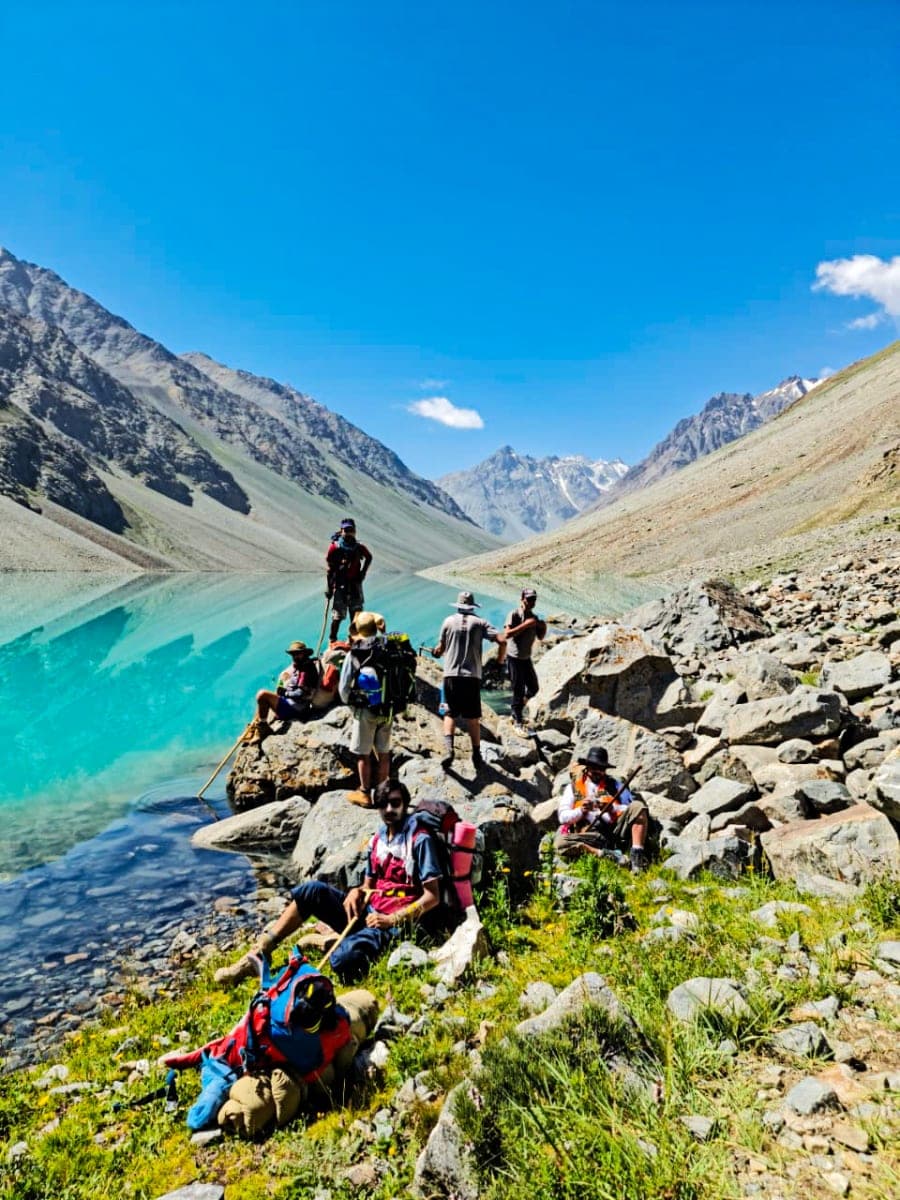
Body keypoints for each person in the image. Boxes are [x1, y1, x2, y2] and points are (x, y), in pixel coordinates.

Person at [214, 780, 445, 987]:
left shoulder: (419, 840)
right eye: (383, 804)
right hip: (369, 912)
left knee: (341, 961)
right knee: (311, 891)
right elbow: (368, 885)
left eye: (395, 803)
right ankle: (260, 952)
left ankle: (330, 943)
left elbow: (432, 896)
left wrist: (391, 919)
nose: (389, 810)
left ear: (405, 804)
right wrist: (357, 892)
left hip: (395, 924)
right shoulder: (380, 838)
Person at [431, 591, 505, 770]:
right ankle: (476, 753)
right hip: (471, 676)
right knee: (473, 718)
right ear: (472, 607)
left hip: (451, 675)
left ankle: (449, 751)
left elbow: (440, 649)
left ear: (457, 605)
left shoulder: (448, 621)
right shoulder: (480, 623)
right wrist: (499, 661)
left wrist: (436, 652)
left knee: (450, 714)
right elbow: (502, 640)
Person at [555, 746, 649, 873]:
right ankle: (608, 855)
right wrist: (581, 811)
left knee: (638, 807)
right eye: (593, 767)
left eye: (601, 768)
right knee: (561, 843)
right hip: (589, 834)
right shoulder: (573, 788)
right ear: (587, 767)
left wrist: (611, 808)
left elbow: (628, 807)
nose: (597, 771)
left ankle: (637, 857)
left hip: (614, 829)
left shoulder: (614, 785)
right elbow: (563, 817)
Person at [339, 611, 392, 807]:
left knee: (363, 753)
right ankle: (383, 792)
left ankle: (364, 793)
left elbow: (344, 687)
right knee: (384, 752)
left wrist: (350, 702)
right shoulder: (386, 647)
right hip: (388, 708)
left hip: (366, 709)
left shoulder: (355, 653)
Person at [252, 641, 320, 742]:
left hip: (296, 708)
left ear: (304, 654)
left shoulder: (306, 670)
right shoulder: (301, 666)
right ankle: (257, 726)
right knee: (261, 704)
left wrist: (285, 693)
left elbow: (301, 693)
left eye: (297, 654)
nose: (294, 657)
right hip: (292, 704)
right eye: (293, 654)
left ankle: (263, 729)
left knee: (262, 695)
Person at [501, 587, 547, 728]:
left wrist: (542, 625)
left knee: (533, 687)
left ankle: (517, 711)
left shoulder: (534, 617)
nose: (531, 602)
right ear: (522, 599)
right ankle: (517, 721)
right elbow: (507, 634)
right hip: (514, 658)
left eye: (533, 600)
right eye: (529, 599)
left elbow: (540, 636)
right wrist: (525, 625)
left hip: (526, 658)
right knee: (518, 689)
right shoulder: (514, 614)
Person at [326, 518, 373, 642]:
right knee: (337, 617)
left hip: (355, 585)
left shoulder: (359, 547)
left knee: (356, 615)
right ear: (341, 531)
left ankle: (355, 640)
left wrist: (363, 573)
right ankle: (332, 640)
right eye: (346, 530)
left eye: (351, 530)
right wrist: (329, 588)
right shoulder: (334, 548)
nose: (349, 533)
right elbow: (330, 570)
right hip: (340, 585)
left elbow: (369, 557)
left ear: (355, 531)